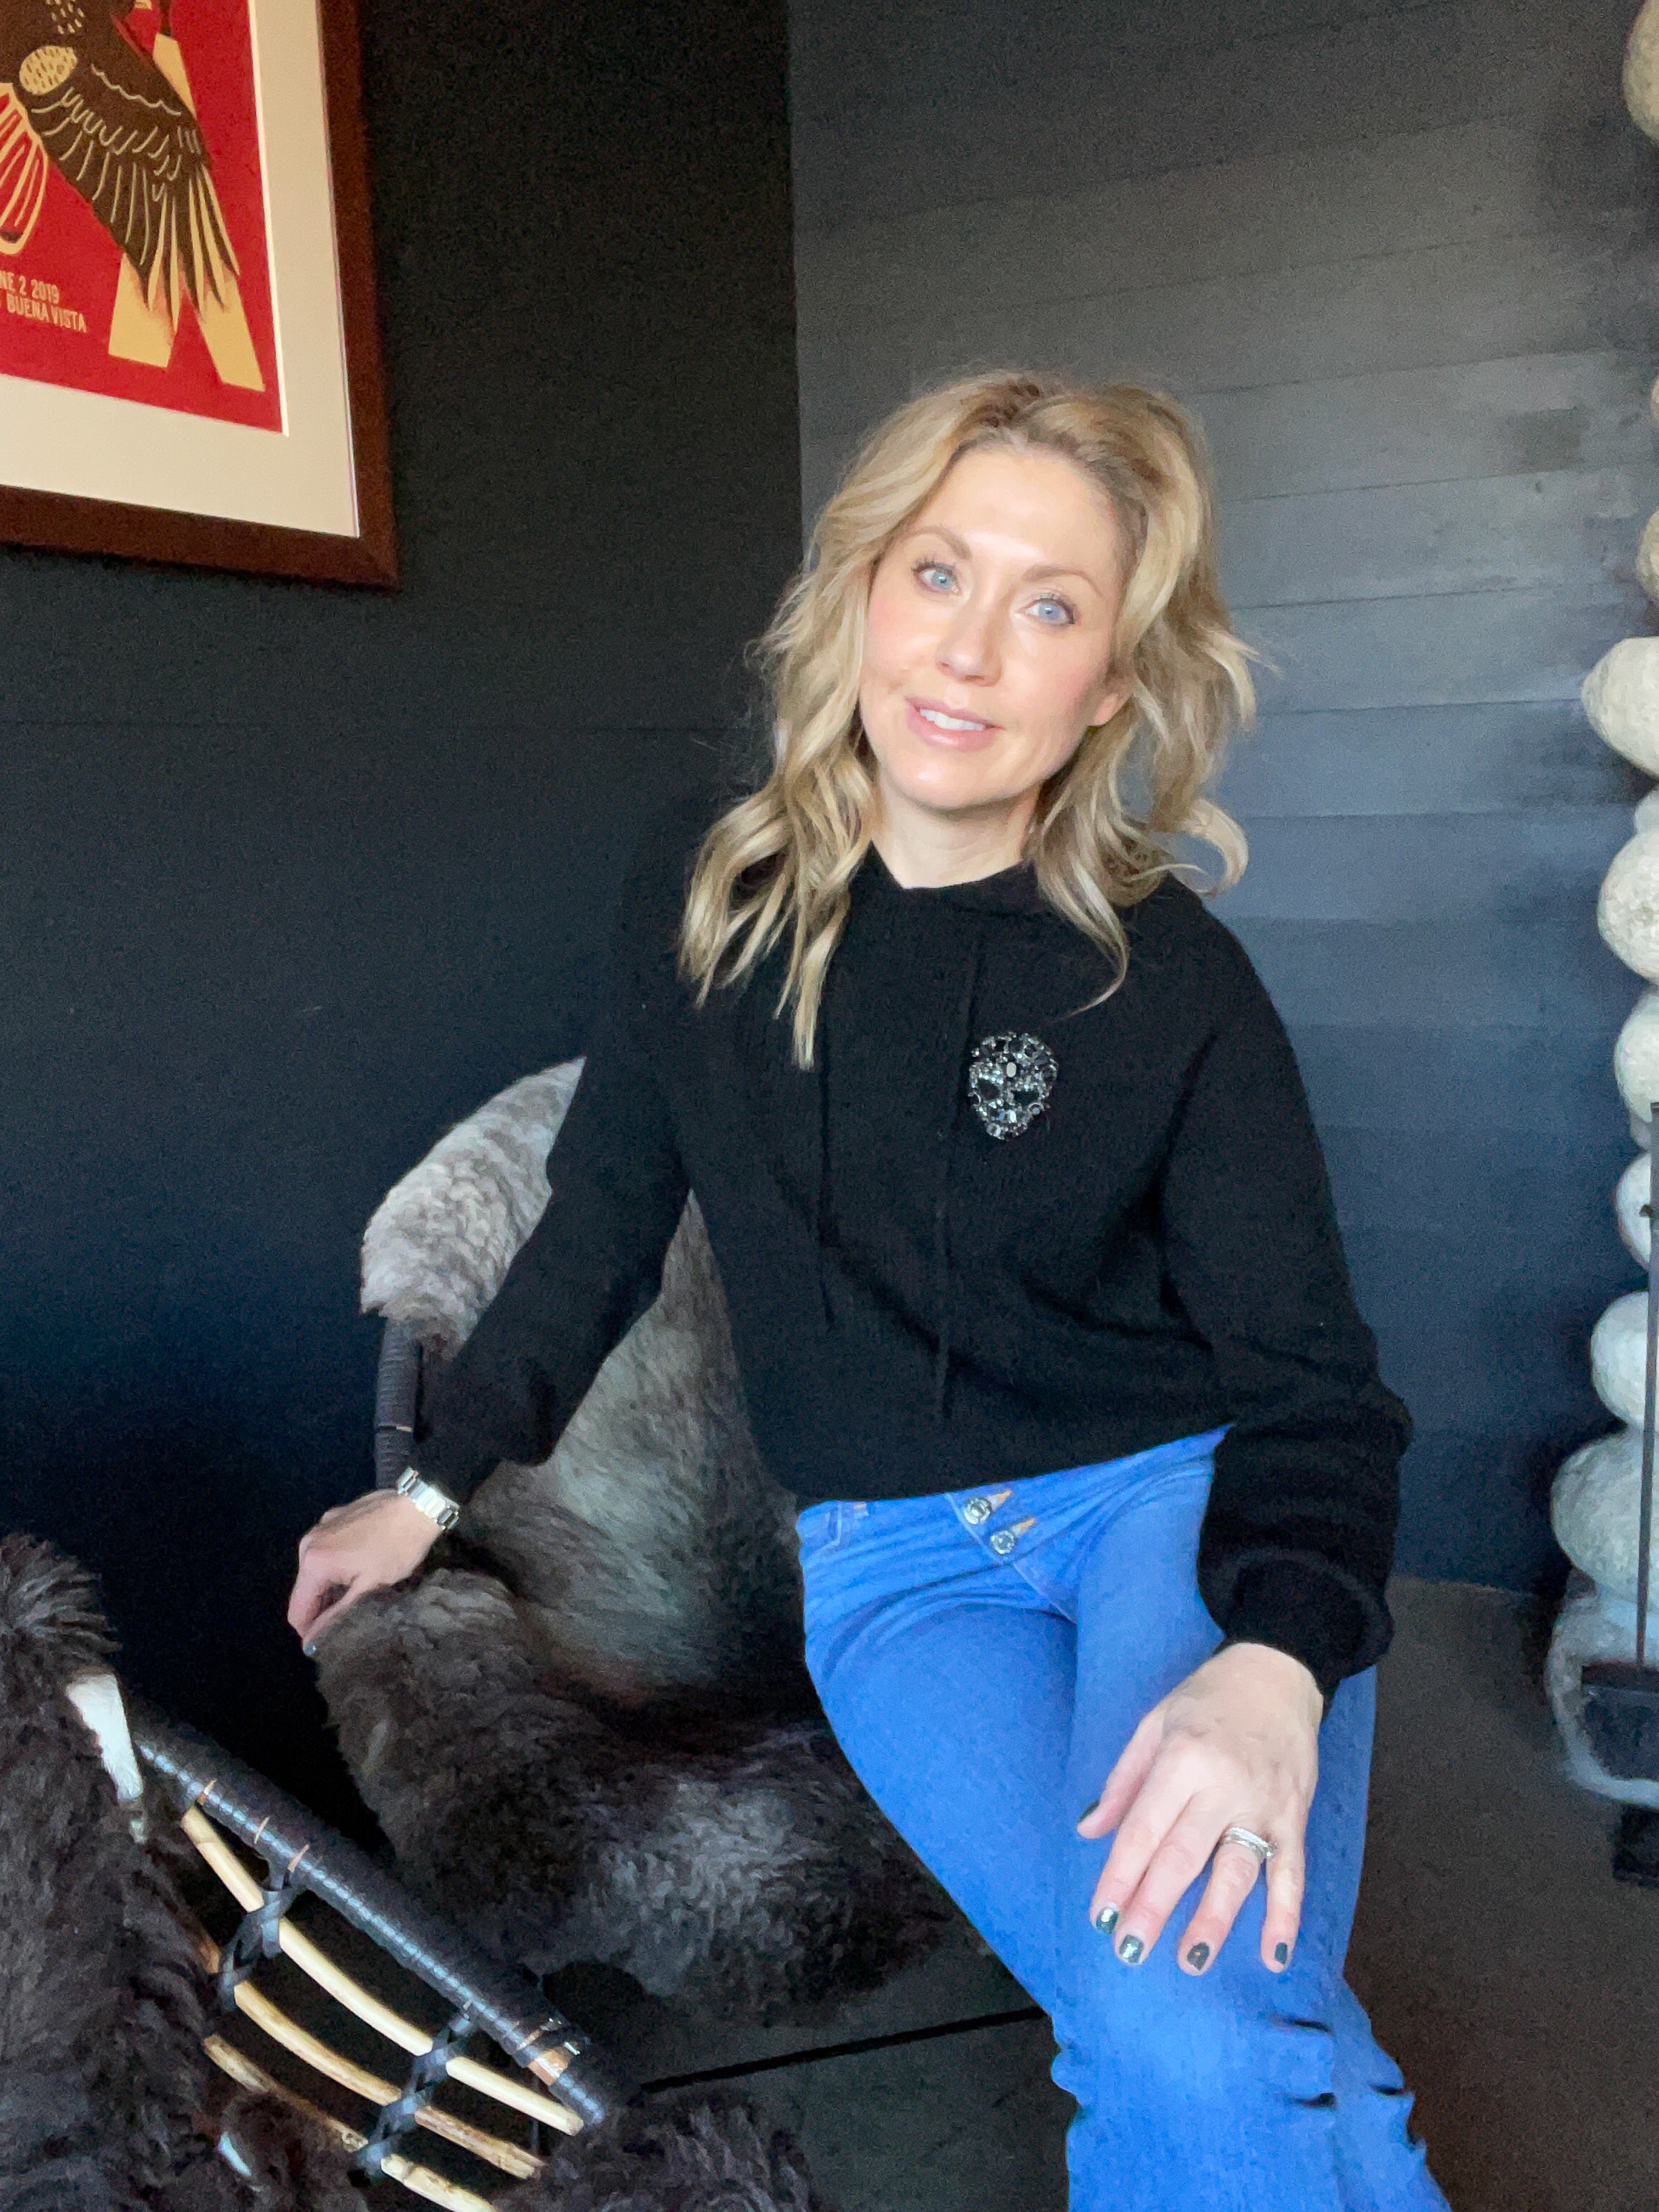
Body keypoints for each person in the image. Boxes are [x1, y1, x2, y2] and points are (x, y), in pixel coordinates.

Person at [287, 370, 1448, 2212]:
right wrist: (430, 1489)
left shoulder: (1173, 978)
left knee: (1178, 2029)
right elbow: (599, 1221)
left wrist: (1273, 1662)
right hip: (899, 1571)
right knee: (1224, 2026)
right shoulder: (707, 893)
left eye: (1050, 606)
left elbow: (1315, 1381)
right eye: (938, 571)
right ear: (861, 590)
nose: (969, 650)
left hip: (1172, 1510)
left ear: (1114, 683)